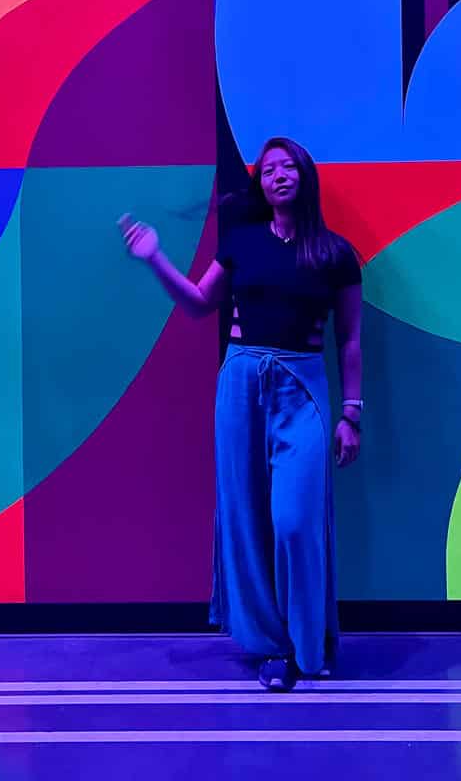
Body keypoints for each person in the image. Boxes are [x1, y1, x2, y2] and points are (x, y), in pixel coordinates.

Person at [118, 136, 363, 691]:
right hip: (240, 382)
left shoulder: (335, 253)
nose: (279, 174)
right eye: (269, 168)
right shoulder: (242, 244)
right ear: (261, 185)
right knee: (247, 515)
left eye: (289, 165)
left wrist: (352, 413)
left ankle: (307, 644)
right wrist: (155, 258)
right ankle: (270, 645)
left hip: (303, 385)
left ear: (305, 175)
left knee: (295, 521)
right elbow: (200, 303)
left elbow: (349, 341)